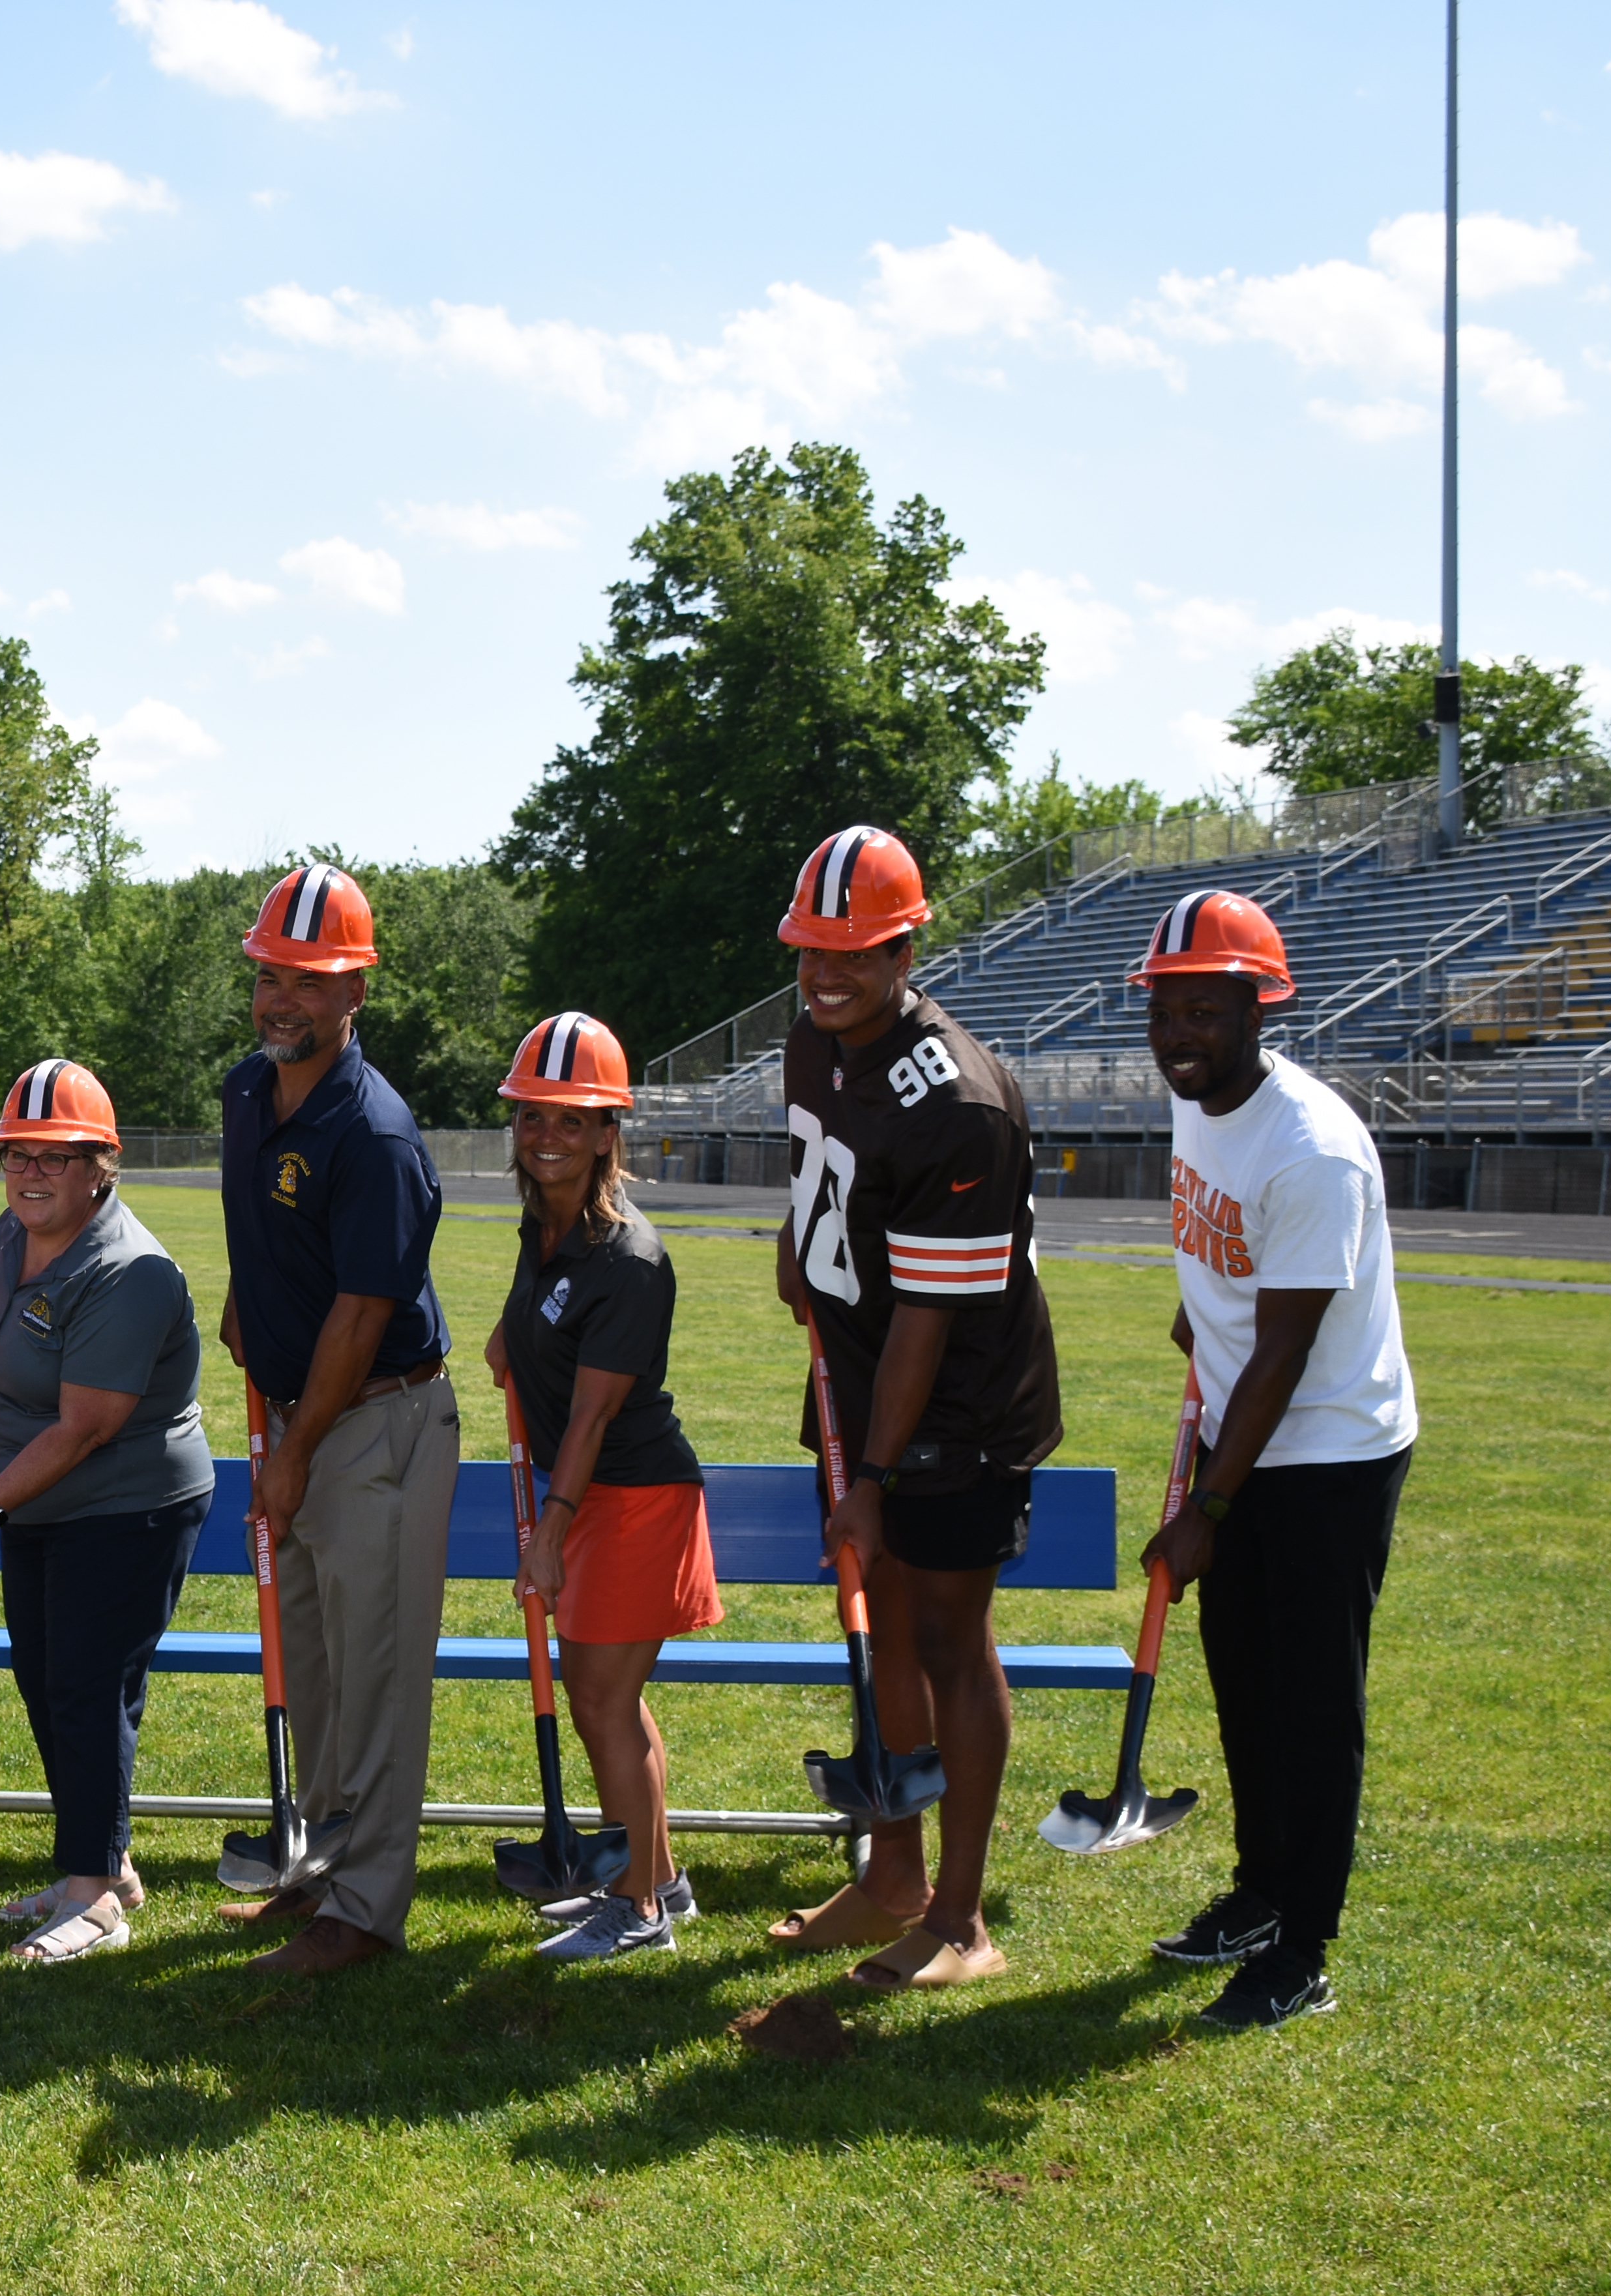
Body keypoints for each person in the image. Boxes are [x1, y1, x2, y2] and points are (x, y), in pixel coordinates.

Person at [766, 826, 1063, 1992]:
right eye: (811, 951)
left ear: (907, 946)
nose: (827, 973)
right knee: (883, 1629)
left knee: (946, 1638)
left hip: (959, 1406)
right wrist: (801, 1250)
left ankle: (960, 1916)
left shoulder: (962, 1105)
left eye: (856, 953)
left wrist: (877, 1482)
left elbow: (932, 1325)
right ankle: (891, 1871)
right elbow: (824, 1184)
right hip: (859, 1378)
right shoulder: (815, 1038)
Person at [1131, 891, 1419, 2033]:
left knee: (1313, 1709)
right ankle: (1258, 1894)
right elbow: (1237, 1284)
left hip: (1329, 1454)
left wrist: (1207, 1506)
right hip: (1240, 1432)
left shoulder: (1315, 1151)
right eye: (1165, 1012)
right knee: (1246, 1689)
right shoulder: (1201, 1103)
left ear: (1258, 1009)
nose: (1179, 1036)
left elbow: (1289, 1349)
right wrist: (1201, 1315)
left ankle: (1306, 1947)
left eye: (1204, 1011)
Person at [215, 864, 460, 1977]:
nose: (283, 999)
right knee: (310, 1669)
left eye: (310, 981)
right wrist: (247, 1302)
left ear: (355, 991)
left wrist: (295, 1451)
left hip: (371, 1425)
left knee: (374, 1679)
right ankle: (318, 1871)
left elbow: (364, 1313)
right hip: (299, 1416)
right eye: (272, 973)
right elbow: (270, 1236)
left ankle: (364, 1914)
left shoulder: (377, 1134)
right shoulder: (244, 1090)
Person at [0, 1059, 214, 1964]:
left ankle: (93, 1899)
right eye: (17, 1152)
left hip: (126, 1503)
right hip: (37, 1497)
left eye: (57, 1155)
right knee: (52, 1682)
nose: (31, 1171)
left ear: (103, 1165)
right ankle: (103, 1863)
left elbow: (87, 1427)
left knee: (86, 1689)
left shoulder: (132, 1272)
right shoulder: (10, 1238)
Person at [481, 1012, 722, 1964]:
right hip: (595, 1496)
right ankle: (656, 1881)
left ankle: (640, 1911)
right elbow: (533, 1341)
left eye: (573, 1121)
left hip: (633, 1499)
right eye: (535, 1117)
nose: (549, 1136)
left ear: (609, 1133)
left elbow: (589, 1420)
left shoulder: (627, 1257)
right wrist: (514, 1347)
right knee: (608, 1699)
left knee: (600, 1701)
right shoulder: (546, 1228)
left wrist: (549, 1534)